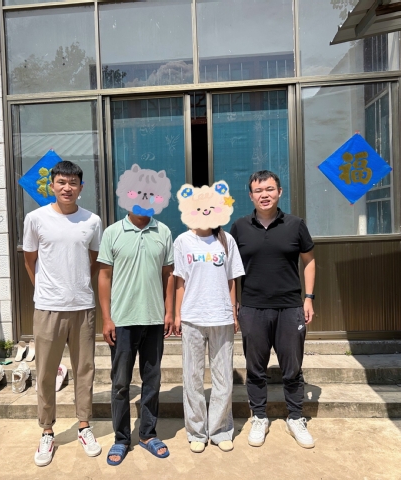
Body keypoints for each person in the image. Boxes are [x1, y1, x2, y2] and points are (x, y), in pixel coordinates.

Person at [23, 161, 102, 467]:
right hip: (48, 308)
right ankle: (47, 430)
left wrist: (77, 284)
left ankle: (84, 426)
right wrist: (45, 290)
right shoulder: (36, 219)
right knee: (45, 372)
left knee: (85, 369)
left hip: (82, 306)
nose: (67, 188)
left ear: (81, 187)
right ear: (52, 185)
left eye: (73, 183)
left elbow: (93, 259)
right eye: (61, 182)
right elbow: (30, 260)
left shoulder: (92, 221)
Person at [230, 170, 316, 449]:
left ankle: (295, 417)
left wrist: (309, 298)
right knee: (255, 369)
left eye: (269, 189)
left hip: (290, 307)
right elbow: (230, 270)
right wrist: (233, 305)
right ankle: (259, 416)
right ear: (250, 195)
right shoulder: (239, 227)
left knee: (292, 368)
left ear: (279, 192)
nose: (264, 195)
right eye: (258, 190)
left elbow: (309, 261)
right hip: (253, 308)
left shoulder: (295, 224)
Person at [98, 210, 175, 466]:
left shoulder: (163, 231)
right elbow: (104, 276)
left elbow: (168, 274)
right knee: (121, 383)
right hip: (122, 321)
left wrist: (169, 311)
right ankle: (121, 438)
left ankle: (147, 434)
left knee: (152, 381)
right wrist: (107, 318)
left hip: (154, 319)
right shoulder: (112, 232)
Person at [173, 181, 245, 454]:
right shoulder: (182, 241)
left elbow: (231, 280)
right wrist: (178, 315)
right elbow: (180, 281)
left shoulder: (226, 240)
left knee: (223, 376)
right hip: (192, 316)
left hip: (221, 316)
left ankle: (220, 429)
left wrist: (233, 311)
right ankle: (196, 431)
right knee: (192, 377)